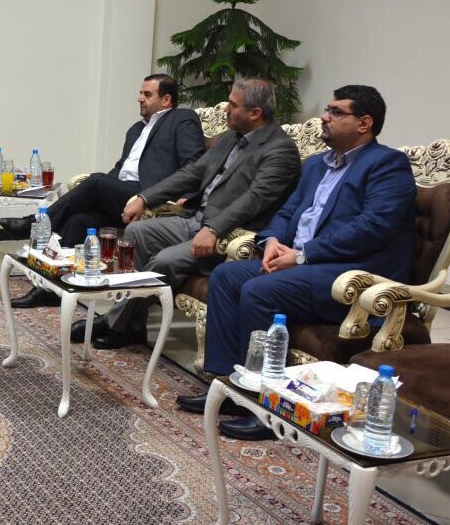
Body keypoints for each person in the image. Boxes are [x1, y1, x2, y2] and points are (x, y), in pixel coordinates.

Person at [175, 85, 416, 441]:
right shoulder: (317, 164)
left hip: (349, 274)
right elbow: (288, 212)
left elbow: (372, 228)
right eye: (327, 110)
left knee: (259, 290)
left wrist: (303, 254)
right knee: (226, 276)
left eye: (336, 112)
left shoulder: (387, 165)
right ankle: (229, 386)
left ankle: (266, 407)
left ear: (364, 123)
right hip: (300, 263)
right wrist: (271, 241)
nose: (324, 117)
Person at [88, 78, 301, 348]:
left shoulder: (280, 150)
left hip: (228, 234)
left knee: (164, 261)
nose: (225, 109)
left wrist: (213, 229)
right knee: (135, 233)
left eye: (233, 105)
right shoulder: (231, 137)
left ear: (255, 113)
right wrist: (144, 198)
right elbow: (192, 172)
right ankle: (130, 324)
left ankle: (114, 323)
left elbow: (254, 199)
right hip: (195, 219)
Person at [2, 74, 205, 309]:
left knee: (96, 181)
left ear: (166, 100)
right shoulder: (136, 130)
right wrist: (105, 188)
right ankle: (50, 289)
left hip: (151, 196)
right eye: (140, 93)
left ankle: (35, 223)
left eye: (147, 94)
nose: (140, 98)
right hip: (123, 195)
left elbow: (194, 164)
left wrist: (188, 196)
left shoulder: (182, 119)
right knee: (79, 220)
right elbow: (120, 169)